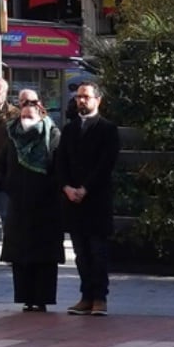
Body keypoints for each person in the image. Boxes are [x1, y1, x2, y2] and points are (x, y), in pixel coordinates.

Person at [48, 77, 120, 315]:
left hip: (96, 200)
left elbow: (106, 164)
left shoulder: (107, 129)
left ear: (98, 100)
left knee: (98, 252)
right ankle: (85, 296)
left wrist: (85, 188)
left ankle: (100, 298)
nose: (81, 101)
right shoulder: (69, 129)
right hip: (73, 202)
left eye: (86, 97)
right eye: (79, 96)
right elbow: (60, 163)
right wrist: (67, 188)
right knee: (81, 254)